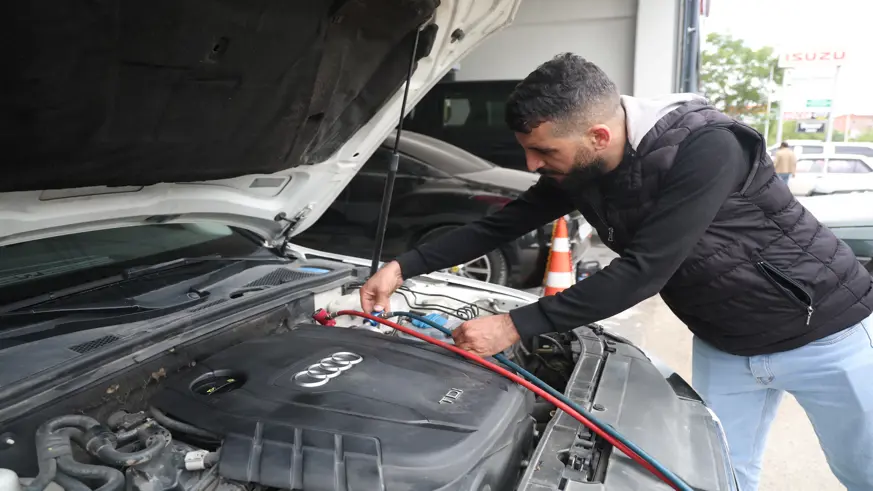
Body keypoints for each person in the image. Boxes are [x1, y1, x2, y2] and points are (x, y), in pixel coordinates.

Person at [360, 53, 873, 491]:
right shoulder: (583, 166)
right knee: (718, 476)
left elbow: (643, 271)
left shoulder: (707, 146)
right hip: (725, 345)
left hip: (824, 332)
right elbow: (501, 225)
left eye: (543, 150)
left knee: (863, 468)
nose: (532, 163)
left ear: (598, 133)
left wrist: (513, 325)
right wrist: (404, 266)